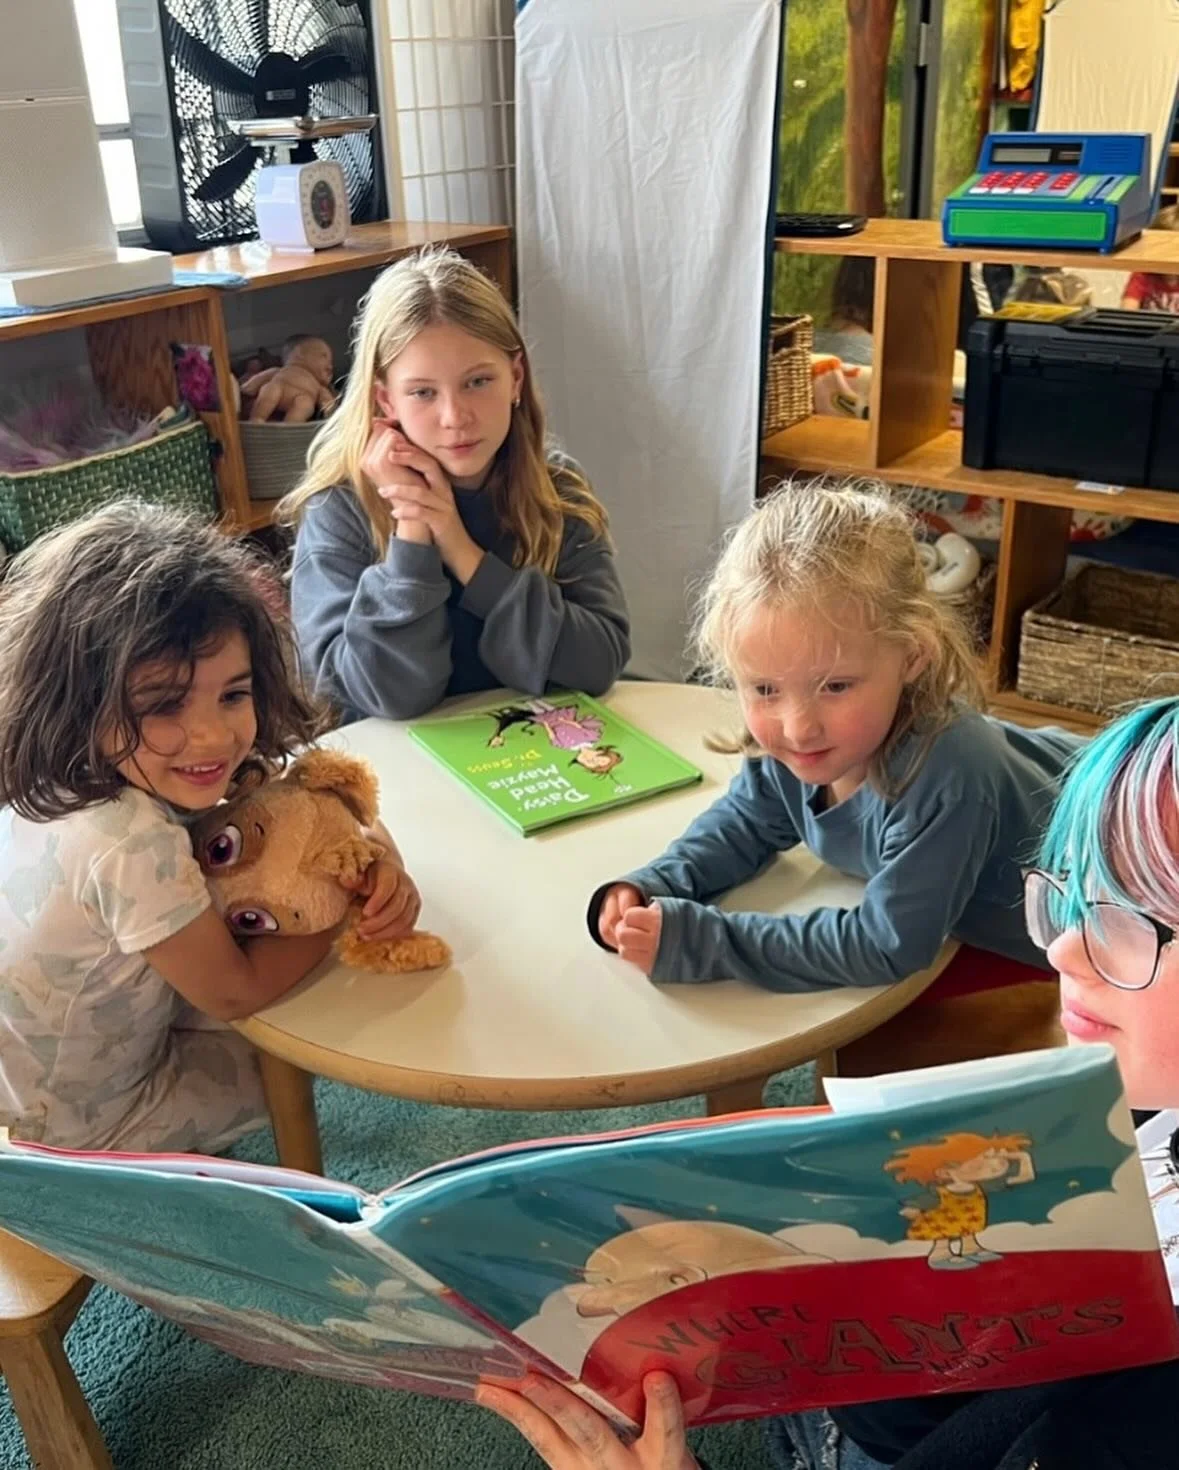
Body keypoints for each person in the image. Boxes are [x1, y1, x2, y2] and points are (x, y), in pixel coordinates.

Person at [480, 696, 1179, 1468]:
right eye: (1077, 892)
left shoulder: (1135, 1416)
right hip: (925, 1375)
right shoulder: (1138, 1091)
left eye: (1133, 915)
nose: (1062, 952)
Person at [0, 501, 420, 1155]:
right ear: (82, 699)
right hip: (77, 1136)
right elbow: (233, 991)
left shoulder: (59, 775)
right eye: (165, 704)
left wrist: (367, 852)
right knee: (302, 1047)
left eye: (232, 694)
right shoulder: (130, 842)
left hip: (22, 1082)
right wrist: (341, 904)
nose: (213, 736)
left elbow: (296, 791)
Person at [587, 479, 1083, 992]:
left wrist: (703, 941)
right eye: (764, 688)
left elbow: (889, 943)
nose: (798, 726)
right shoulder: (796, 744)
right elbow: (748, 821)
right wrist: (657, 882)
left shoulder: (951, 769)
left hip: (1127, 899)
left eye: (836, 686)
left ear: (912, 656)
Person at [278, 247, 631, 722]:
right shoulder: (337, 510)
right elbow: (380, 699)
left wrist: (460, 548)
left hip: (533, 759)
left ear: (516, 378)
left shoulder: (556, 489)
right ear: (387, 401)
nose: (455, 417)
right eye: (423, 392)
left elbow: (599, 662)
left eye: (478, 381)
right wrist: (413, 530)